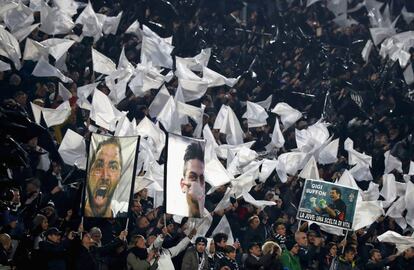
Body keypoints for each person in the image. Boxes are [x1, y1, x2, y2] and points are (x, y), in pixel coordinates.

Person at [84, 137, 125, 218]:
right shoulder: (73, 210)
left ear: (119, 179)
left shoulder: (120, 223)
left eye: (113, 167)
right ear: (88, 173)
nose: (105, 176)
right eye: (99, 165)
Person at [180, 142, 205, 218]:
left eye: (201, 178)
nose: (197, 183)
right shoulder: (176, 217)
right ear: (182, 184)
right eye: (192, 177)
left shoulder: (208, 217)